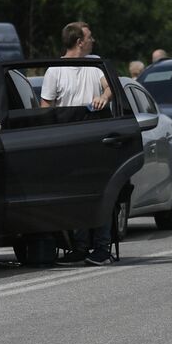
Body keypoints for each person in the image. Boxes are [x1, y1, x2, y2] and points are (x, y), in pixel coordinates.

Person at [40, 22, 114, 265]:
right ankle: (80, 247)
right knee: (75, 196)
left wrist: (103, 97)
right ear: (79, 41)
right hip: (68, 141)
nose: (93, 40)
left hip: (96, 139)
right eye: (89, 37)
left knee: (101, 192)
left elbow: (109, 87)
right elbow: (45, 108)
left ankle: (102, 248)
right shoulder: (55, 70)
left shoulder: (94, 64)